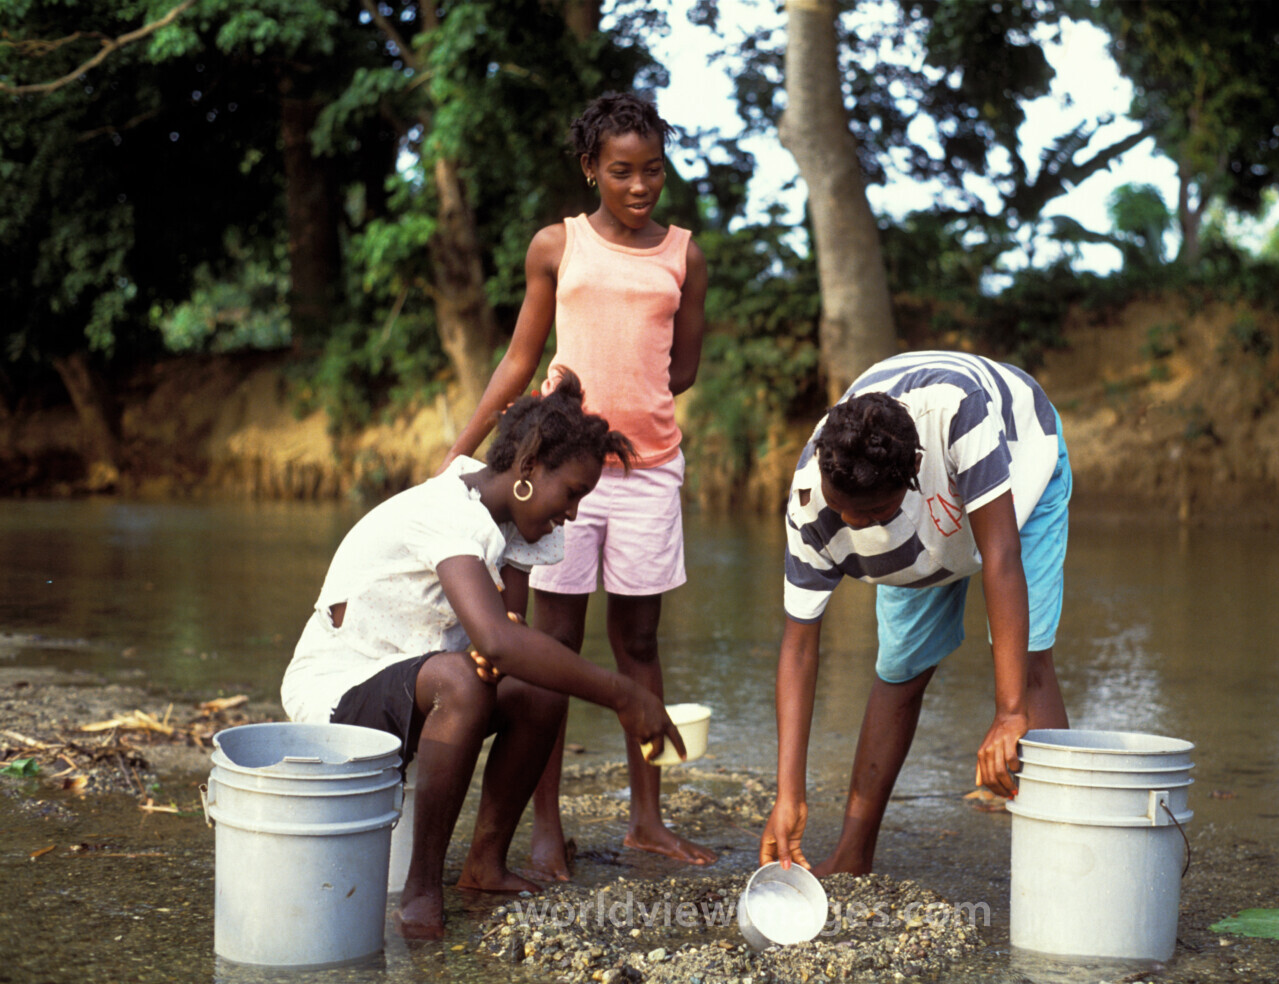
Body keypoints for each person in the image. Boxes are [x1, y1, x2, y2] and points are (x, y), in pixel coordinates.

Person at [282, 369, 686, 939]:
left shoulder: (516, 522)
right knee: (463, 683)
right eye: (572, 493)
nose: (573, 513)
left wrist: (503, 647)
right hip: (338, 692)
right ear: (528, 469)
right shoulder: (448, 510)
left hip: (415, 680)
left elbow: (505, 639)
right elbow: (495, 642)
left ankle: (484, 866)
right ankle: (421, 890)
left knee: (540, 686)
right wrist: (623, 693)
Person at [437, 91, 713, 877]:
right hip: (561, 474)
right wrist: (459, 453)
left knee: (639, 642)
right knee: (552, 643)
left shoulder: (684, 256)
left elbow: (681, 369)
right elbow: (520, 360)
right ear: (590, 168)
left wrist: (631, 404)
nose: (640, 185)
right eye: (621, 171)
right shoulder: (557, 246)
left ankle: (647, 821)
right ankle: (545, 828)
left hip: (648, 471)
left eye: (653, 170)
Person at [758, 350, 1073, 876]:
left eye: (872, 512)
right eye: (842, 508)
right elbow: (798, 647)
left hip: (1019, 465)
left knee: (1029, 661)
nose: (852, 524)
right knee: (900, 667)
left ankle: (1067, 866)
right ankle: (853, 855)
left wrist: (1008, 712)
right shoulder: (811, 499)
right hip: (922, 519)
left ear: (908, 483)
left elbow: (1000, 557)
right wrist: (788, 795)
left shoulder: (960, 414)